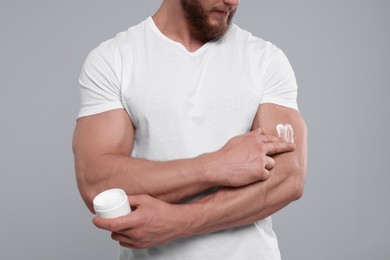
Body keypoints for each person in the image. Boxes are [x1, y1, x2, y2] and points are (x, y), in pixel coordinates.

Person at [72, 0, 307, 259]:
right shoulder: (114, 60)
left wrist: (181, 220)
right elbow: (97, 183)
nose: (233, 1)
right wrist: (214, 166)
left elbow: (288, 178)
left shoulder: (265, 59)